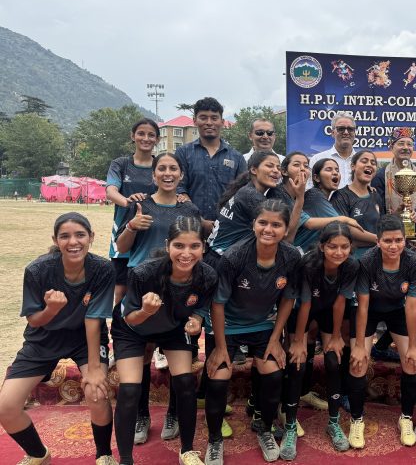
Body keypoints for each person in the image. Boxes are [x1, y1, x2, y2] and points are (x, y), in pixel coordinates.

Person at [0, 213, 115, 464]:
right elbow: (34, 320)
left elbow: (94, 319)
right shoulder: (37, 270)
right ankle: (38, 454)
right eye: (65, 236)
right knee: (6, 407)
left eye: (80, 235)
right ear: (55, 240)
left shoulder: (103, 269)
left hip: (85, 338)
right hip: (43, 338)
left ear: (91, 237)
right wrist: (51, 309)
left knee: (96, 393)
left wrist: (94, 368)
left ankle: (104, 455)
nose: (73, 242)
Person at [112, 217, 217, 465]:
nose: (186, 254)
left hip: (172, 327)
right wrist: (146, 311)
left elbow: (201, 305)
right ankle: (125, 459)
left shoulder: (207, 275)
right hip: (132, 330)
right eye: (179, 245)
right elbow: (130, 318)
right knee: (129, 390)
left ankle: (187, 451)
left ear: (203, 247)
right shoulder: (143, 273)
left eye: (194, 246)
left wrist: (197, 319)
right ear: (168, 245)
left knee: (185, 383)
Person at [115, 152, 202, 444]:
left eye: (173, 168)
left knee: (179, 353)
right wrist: (131, 226)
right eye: (161, 168)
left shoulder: (189, 208)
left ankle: (174, 413)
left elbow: (196, 247)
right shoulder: (139, 204)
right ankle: (141, 414)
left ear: (180, 175)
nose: (168, 173)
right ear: (153, 175)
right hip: (142, 284)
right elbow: (121, 247)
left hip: (178, 287)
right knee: (142, 352)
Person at [205, 199, 301, 463]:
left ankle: (265, 429)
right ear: (253, 224)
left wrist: (275, 339)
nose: (268, 229)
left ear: (286, 229)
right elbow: (217, 304)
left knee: (273, 374)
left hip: (263, 324)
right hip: (227, 326)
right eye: (263, 223)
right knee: (218, 378)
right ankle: (214, 440)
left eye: (276, 225)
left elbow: (288, 299)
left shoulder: (291, 256)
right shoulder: (234, 256)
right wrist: (221, 348)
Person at [347, 215, 416, 449]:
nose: (393, 246)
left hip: (397, 309)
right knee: (358, 363)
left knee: (412, 361)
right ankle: (356, 419)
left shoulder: (413, 261)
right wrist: (359, 346)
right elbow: (363, 305)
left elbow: (412, 305)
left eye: (398, 240)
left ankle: (406, 417)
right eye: (387, 241)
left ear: (405, 240)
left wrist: (414, 345)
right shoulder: (367, 261)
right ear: (378, 241)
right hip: (369, 310)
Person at [287, 222, 360, 453]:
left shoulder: (351, 265)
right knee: (297, 361)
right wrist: (297, 342)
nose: (339, 252)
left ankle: (334, 422)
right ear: (322, 246)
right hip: (303, 311)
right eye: (332, 246)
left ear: (351, 247)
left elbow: (340, 303)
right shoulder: (309, 265)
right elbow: (305, 305)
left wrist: (336, 336)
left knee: (333, 359)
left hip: (329, 311)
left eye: (344, 247)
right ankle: (290, 424)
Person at [105, 118, 159, 304]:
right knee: (121, 289)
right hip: (124, 231)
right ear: (133, 136)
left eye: (151, 135)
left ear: (157, 139)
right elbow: (111, 191)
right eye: (141, 133)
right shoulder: (121, 164)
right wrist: (127, 201)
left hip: (152, 234)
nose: (146, 138)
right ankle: (119, 321)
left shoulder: (160, 165)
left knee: (151, 288)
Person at [175, 97, 247, 231]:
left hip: (227, 230)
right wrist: (199, 220)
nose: (209, 123)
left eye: (214, 118)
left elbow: (242, 194)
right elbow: (179, 189)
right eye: (203, 118)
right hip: (189, 229)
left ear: (222, 122)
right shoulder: (183, 153)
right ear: (195, 120)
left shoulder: (237, 158)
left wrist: (223, 222)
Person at [296, 158, 375, 253]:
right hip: (300, 254)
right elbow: (344, 227)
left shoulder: (328, 198)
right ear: (316, 178)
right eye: (328, 169)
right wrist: (378, 238)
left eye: (337, 170)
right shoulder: (315, 195)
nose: (335, 173)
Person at [330, 150, 383, 258]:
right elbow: (344, 229)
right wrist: (379, 239)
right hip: (352, 259)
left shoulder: (375, 195)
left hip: (377, 257)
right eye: (364, 161)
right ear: (353, 166)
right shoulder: (341, 196)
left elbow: (381, 224)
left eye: (373, 163)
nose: (369, 164)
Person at [371, 127, 416, 224]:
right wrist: (394, 216)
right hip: (388, 228)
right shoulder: (381, 175)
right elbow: (377, 208)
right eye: (401, 143)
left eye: (409, 144)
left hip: (413, 228)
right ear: (391, 147)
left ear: (413, 148)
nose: (405, 147)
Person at [308, 112, 357, 189]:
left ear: (354, 133)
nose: (346, 132)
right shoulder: (317, 159)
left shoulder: (362, 162)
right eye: (341, 129)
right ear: (332, 133)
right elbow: (310, 189)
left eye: (350, 129)